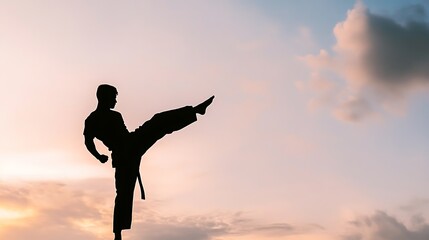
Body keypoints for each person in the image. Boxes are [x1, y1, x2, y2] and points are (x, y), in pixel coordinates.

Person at [83, 84, 214, 240]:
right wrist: (99, 156)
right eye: (114, 97)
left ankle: (193, 111)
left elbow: (115, 136)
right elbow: (88, 141)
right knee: (123, 194)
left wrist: (103, 155)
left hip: (131, 144)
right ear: (104, 97)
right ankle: (117, 234)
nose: (116, 101)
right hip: (123, 153)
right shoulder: (92, 120)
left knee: (158, 122)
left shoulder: (115, 116)